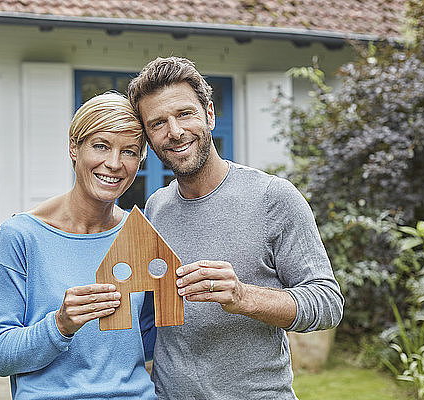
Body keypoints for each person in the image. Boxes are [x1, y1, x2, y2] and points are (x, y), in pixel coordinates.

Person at [127, 57, 344, 399]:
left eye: (185, 114)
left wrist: (243, 296)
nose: (175, 131)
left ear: (209, 115)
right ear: (148, 139)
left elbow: (327, 303)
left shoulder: (273, 197)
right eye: (158, 123)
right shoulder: (156, 207)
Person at [0, 92, 157, 400]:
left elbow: (148, 339)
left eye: (129, 151)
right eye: (101, 146)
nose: (114, 164)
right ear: (74, 147)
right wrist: (60, 324)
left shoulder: (140, 233)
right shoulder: (20, 235)